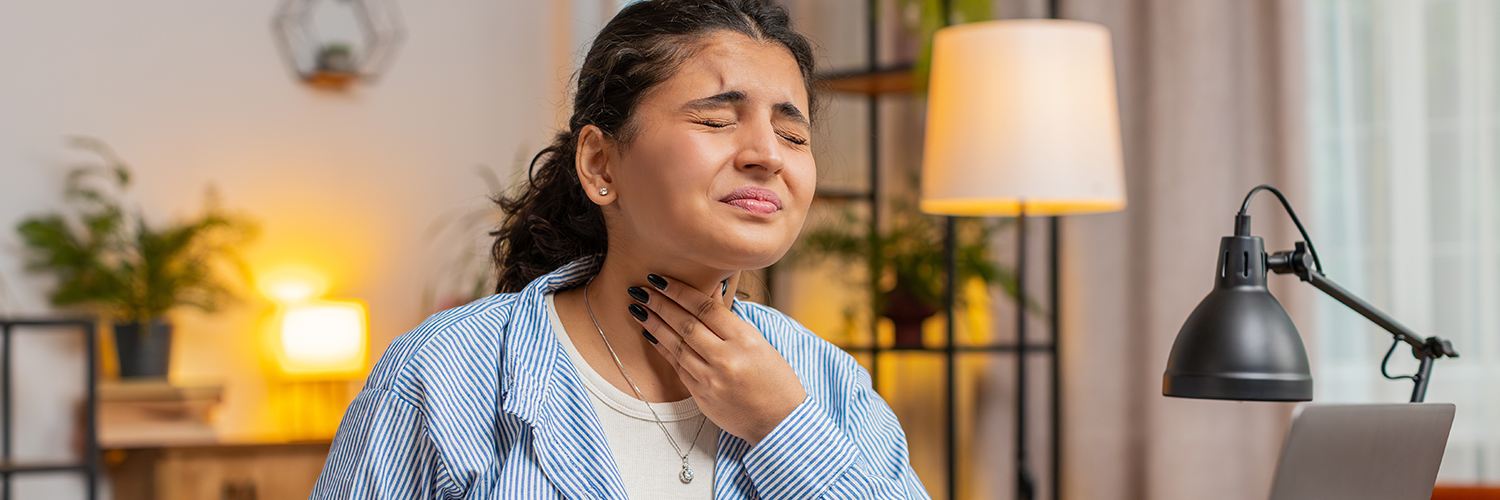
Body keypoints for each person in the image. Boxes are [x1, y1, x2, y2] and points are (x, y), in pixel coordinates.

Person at [311, 0, 929, 498]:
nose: (767, 154)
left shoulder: (827, 384)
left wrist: (783, 427)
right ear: (600, 161)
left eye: (792, 133)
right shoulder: (445, 376)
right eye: (717, 121)